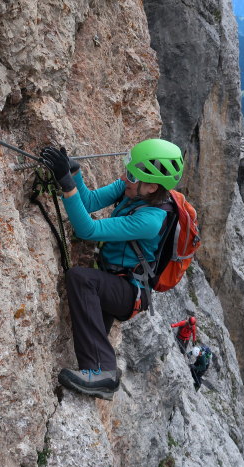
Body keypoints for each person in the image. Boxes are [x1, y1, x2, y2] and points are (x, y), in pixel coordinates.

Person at [40, 139, 184, 401]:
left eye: (130, 174)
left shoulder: (150, 220)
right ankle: (97, 367)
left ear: (152, 186)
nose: (123, 177)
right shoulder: (134, 189)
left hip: (130, 292)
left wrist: (67, 186)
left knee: (81, 279)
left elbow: (88, 230)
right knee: (91, 320)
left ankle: (103, 373)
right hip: (113, 279)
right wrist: (73, 173)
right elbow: (91, 202)